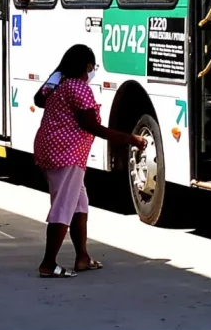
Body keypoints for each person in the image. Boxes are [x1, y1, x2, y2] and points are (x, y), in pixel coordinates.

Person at [32, 44, 147, 278]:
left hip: (51, 150)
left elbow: (39, 98)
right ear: (86, 66)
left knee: (79, 204)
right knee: (63, 206)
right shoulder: (78, 88)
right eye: (92, 66)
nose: (93, 71)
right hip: (66, 154)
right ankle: (48, 263)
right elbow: (92, 127)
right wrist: (131, 139)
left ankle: (82, 257)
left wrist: (58, 71)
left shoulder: (58, 85)